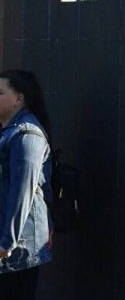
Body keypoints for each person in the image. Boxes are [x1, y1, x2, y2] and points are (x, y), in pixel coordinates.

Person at [0, 70, 53, 299]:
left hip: (17, 250)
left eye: (0, 93)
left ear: (18, 99)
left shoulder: (27, 135)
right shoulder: (8, 131)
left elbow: (22, 194)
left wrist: (6, 244)